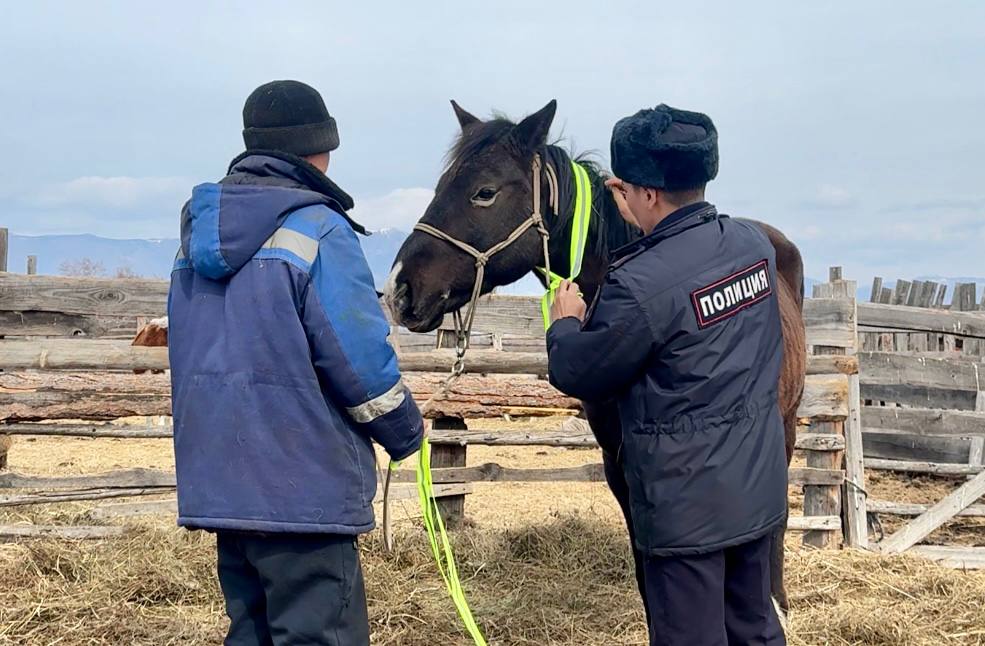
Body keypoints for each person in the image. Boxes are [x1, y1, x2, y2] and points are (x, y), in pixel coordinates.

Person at [167, 80, 424, 645]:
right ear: (319, 148)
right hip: (302, 490)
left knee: (250, 632)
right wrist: (405, 431)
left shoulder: (194, 242)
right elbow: (359, 360)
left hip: (225, 487)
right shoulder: (319, 229)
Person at [546, 104, 787, 646]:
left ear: (648, 194)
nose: (620, 195)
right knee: (755, 629)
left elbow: (578, 371)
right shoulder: (753, 246)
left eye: (625, 187)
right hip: (754, 486)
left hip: (685, 509)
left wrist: (565, 324)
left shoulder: (638, 285)